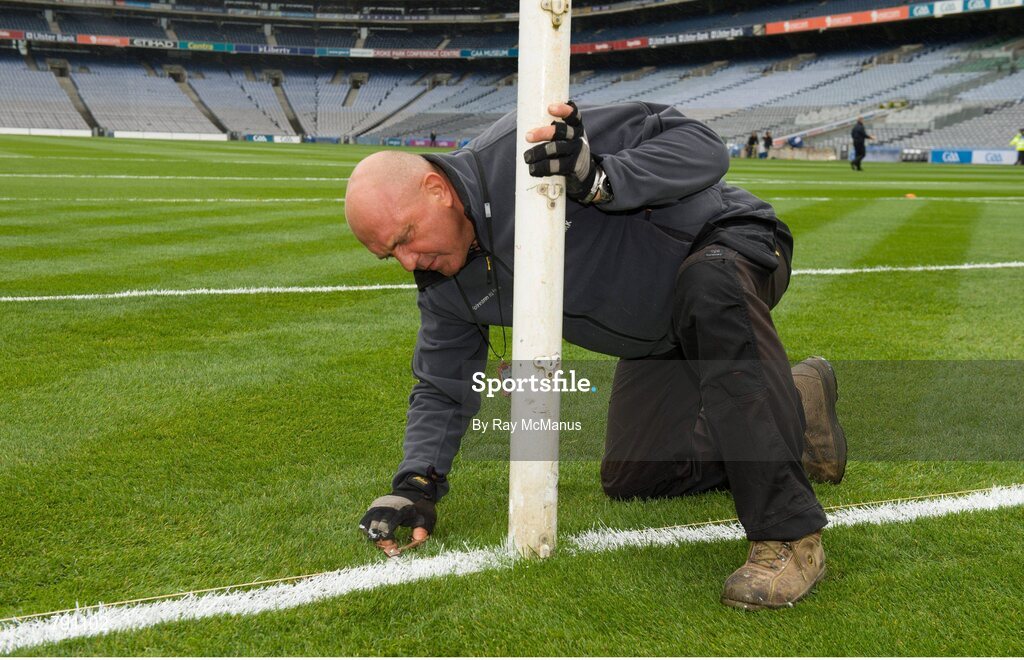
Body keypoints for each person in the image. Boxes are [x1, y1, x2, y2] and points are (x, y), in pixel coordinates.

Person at [345, 101, 847, 611]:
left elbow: (703, 146)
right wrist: (415, 484)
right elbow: (442, 384)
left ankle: (788, 536)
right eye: (391, 255)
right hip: (657, 336)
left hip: (729, 244)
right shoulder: (443, 281)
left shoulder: (527, 144)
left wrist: (600, 177)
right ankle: (797, 409)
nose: (408, 261)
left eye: (405, 238)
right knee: (637, 476)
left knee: (709, 286)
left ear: (437, 191)